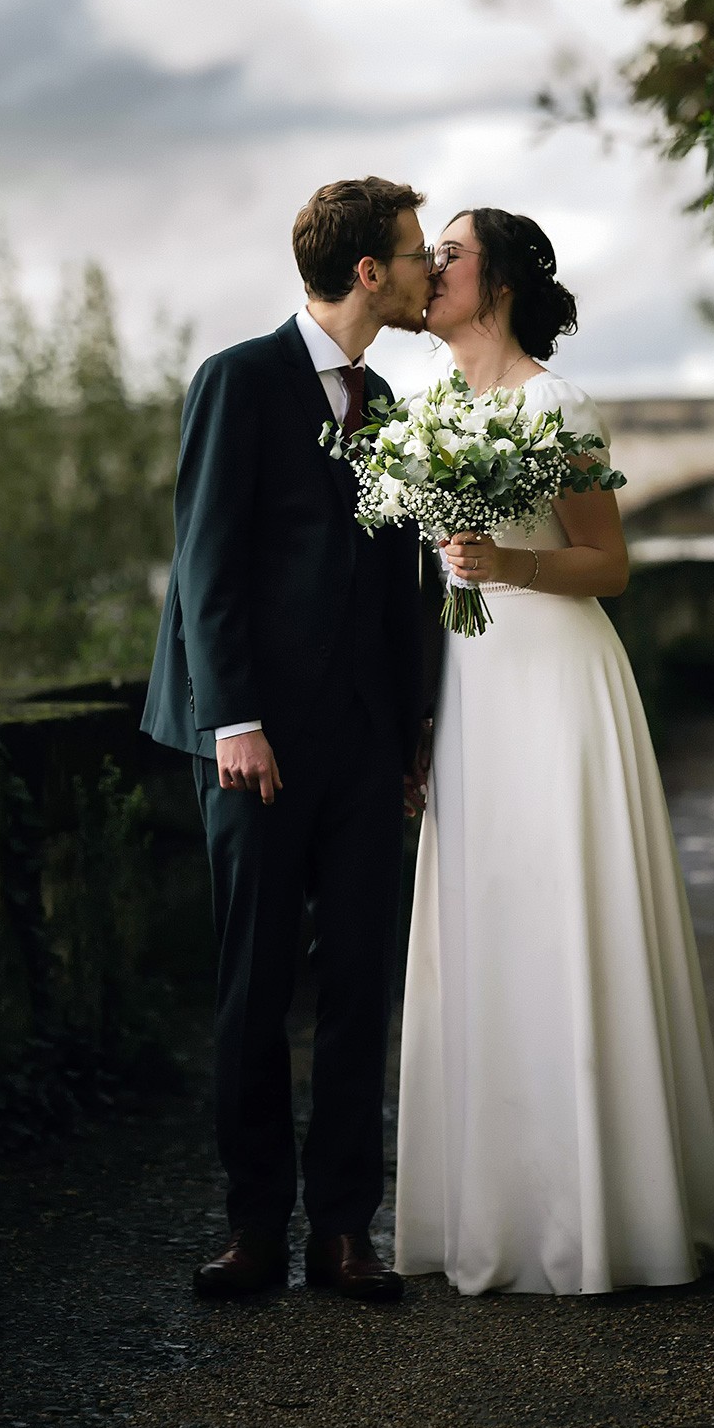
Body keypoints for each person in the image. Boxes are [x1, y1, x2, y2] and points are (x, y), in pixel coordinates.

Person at [394, 208, 714, 1296]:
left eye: (449, 254)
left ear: (496, 281)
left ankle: (613, 1213)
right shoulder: (428, 408)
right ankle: (500, 1206)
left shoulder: (557, 403)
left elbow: (608, 563)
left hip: (556, 677)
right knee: (487, 914)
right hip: (469, 688)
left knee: (567, 909)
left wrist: (508, 560)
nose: (431, 267)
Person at [143, 178, 432, 1303]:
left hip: (363, 742)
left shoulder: (395, 404)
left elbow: (396, 581)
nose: (423, 273)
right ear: (367, 271)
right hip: (252, 746)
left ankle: (346, 1230)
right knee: (253, 986)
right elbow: (205, 559)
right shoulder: (239, 380)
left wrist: (410, 727)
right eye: (414, 254)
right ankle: (255, 1225)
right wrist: (235, 718)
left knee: (359, 983)